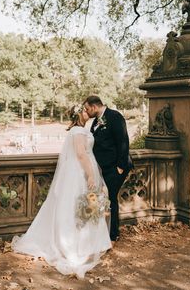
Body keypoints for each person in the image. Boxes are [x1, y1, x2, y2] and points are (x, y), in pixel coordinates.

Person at [11, 105, 111, 279]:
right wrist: (90, 176)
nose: (88, 112)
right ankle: (78, 245)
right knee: (78, 206)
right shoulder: (78, 131)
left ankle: (89, 242)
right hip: (79, 173)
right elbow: (80, 154)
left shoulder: (79, 130)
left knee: (86, 205)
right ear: (80, 114)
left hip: (83, 170)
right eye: (86, 110)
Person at [83, 95, 131, 246]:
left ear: (95, 106)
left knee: (111, 199)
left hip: (115, 167)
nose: (86, 111)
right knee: (101, 199)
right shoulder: (96, 121)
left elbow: (123, 141)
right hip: (102, 168)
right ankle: (102, 232)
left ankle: (113, 235)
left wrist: (120, 167)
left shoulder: (115, 117)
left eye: (87, 108)